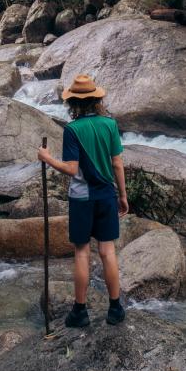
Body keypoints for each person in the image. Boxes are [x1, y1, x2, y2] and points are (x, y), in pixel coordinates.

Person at [37, 73, 128, 328]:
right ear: (97, 99)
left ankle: (80, 311)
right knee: (108, 251)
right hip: (107, 195)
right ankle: (115, 308)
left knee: (81, 253)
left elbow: (71, 169)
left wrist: (47, 158)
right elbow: (117, 164)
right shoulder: (109, 125)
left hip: (82, 198)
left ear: (73, 104)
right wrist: (122, 195)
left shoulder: (72, 130)